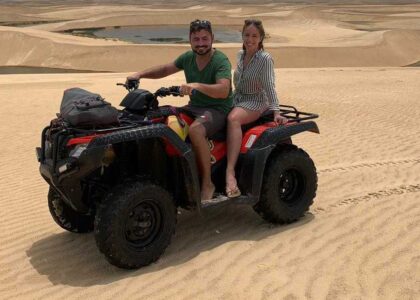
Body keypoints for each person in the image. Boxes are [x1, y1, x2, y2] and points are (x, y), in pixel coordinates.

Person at [126, 19, 233, 201]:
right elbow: (166, 69)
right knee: (164, 122)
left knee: (195, 130)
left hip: (217, 109)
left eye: (204, 39)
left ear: (212, 38)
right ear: (190, 40)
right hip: (194, 107)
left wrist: (197, 86)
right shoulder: (188, 58)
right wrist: (139, 74)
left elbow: (223, 90)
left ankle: (207, 183)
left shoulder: (220, 60)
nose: (200, 44)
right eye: (196, 39)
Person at [225, 19, 287, 198]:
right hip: (238, 97)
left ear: (261, 38)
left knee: (233, 119)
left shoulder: (265, 59)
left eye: (254, 36)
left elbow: (269, 85)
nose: (249, 39)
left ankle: (230, 173)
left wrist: (276, 111)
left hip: (257, 100)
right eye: (246, 35)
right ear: (242, 36)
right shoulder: (239, 55)